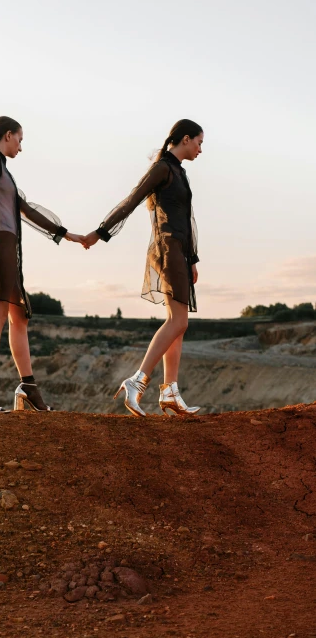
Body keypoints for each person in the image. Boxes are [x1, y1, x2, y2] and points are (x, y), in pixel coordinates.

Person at [83, 119, 204, 418]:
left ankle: (171, 392)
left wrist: (193, 259)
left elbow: (186, 218)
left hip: (179, 251)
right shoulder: (162, 168)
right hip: (168, 249)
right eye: (199, 142)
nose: (201, 149)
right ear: (185, 139)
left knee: (178, 323)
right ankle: (138, 381)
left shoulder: (180, 172)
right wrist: (99, 233)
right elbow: (131, 200)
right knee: (179, 322)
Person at [0, 116, 84, 413]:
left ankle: (27, 387)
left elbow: (25, 209)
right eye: (19, 139)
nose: (20, 146)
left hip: (8, 244)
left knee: (19, 316)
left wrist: (64, 233)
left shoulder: (2, 167)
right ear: (7, 135)